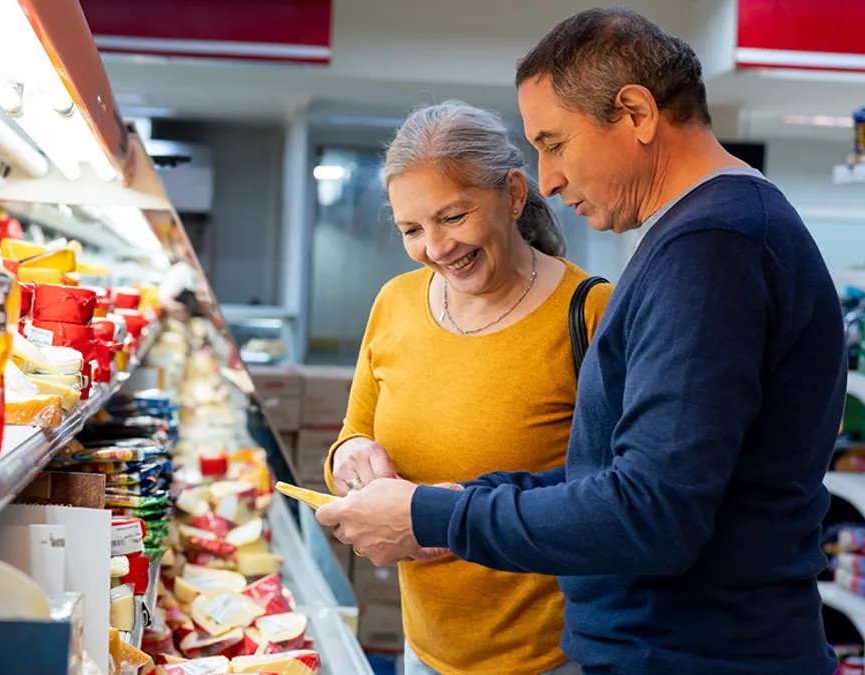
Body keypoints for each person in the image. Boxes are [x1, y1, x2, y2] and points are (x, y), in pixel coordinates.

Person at [317, 8, 847, 674]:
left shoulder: (712, 250)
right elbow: (625, 475)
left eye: (555, 143)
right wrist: (450, 501)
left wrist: (436, 517)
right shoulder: (710, 236)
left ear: (635, 113)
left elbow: (651, 513)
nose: (548, 180)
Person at [324, 100, 612, 675]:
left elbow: (612, 497)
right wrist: (351, 460)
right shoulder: (395, 303)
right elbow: (350, 438)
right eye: (412, 229)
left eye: (452, 217)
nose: (435, 248)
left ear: (511, 194)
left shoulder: (591, 313)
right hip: (424, 649)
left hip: (550, 658)